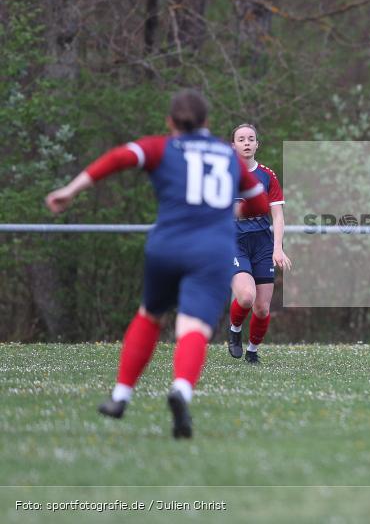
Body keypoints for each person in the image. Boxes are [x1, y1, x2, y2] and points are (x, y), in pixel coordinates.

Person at [45, 90, 269, 438]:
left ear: (170, 122)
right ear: (207, 123)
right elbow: (258, 203)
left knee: (150, 314)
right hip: (211, 251)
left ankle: (121, 394)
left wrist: (71, 190)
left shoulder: (161, 147)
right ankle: (181, 388)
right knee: (193, 326)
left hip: (167, 245)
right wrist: (232, 209)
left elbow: (119, 157)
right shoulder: (229, 156)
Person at [226, 123, 291, 364]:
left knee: (262, 308)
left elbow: (278, 215)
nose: (246, 143)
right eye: (241, 139)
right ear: (233, 145)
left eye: (250, 138)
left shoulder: (267, 175)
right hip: (234, 242)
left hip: (262, 244)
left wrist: (277, 247)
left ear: (257, 144)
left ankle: (252, 350)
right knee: (246, 297)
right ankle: (234, 330)